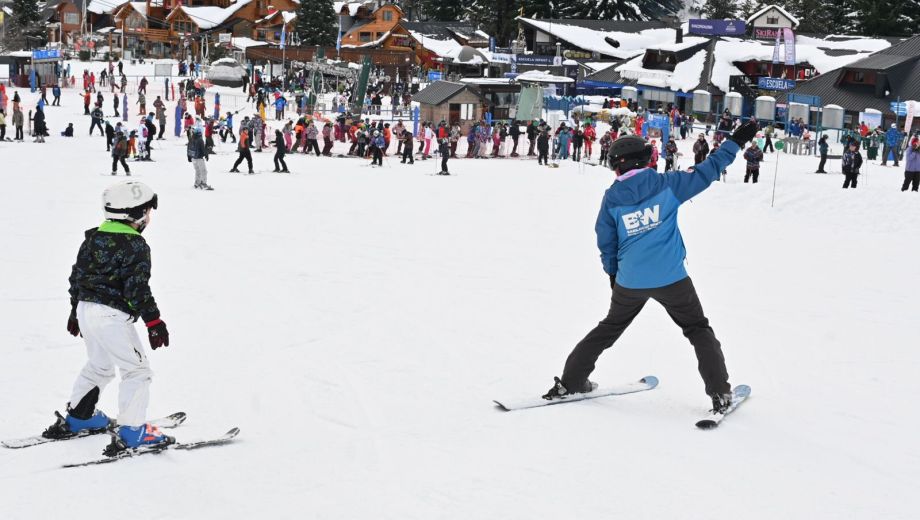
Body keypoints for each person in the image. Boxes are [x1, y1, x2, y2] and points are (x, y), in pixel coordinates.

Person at [542, 121, 759, 416]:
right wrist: (736, 140)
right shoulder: (668, 184)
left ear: (619, 166)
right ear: (645, 160)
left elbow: (606, 240)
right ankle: (720, 393)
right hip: (672, 278)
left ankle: (570, 382)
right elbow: (710, 168)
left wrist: (613, 274)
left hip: (630, 281)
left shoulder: (612, 197)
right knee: (697, 329)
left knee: (610, 327)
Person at [43, 181, 171, 454]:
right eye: (148, 211)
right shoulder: (136, 245)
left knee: (99, 365)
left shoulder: (93, 237)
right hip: (111, 316)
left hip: (86, 309)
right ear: (135, 215)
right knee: (137, 371)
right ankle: (133, 431)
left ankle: (80, 417)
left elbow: (77, 277)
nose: (149, 217)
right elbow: (136, 288)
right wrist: (154, 321)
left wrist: (75, 309)